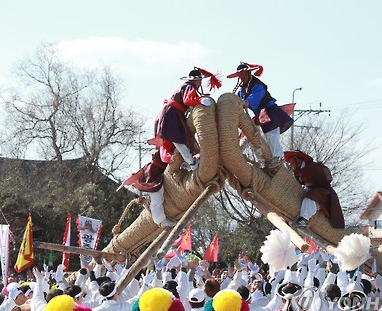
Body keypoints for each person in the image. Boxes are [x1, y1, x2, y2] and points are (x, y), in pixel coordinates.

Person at [118, 67, 221, 228]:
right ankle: (160, 220)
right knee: (178, 139)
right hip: (172, 116)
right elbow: (188, 100)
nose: (201, 82)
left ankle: (191, 162)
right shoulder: (189, 88)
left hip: (173, 114)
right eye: (200, 80)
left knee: (181, 139)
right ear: (195, 80)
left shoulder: (187, 88)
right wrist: (200, 101)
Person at [227, 62, 293, 169]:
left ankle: (278, 157)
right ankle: (265, 160)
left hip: (269, 111)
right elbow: (238, 100)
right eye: (240, 75)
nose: (241, 77)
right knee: (259, 137)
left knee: (272, 134)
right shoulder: (242, 90)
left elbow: (256, 96)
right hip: (260, 115)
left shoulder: (257, 84)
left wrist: (246, 103)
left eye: (243, 74)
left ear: (248, 73)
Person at [284, 150, 345, 228]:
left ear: (296, 159)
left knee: (310, 197)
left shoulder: (313, 167)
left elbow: (326, 178)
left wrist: (311, 186)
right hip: (314, 191)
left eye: (291, 162)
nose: (291, 165)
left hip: (324, 193)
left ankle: (304, 219)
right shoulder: (298, 172)